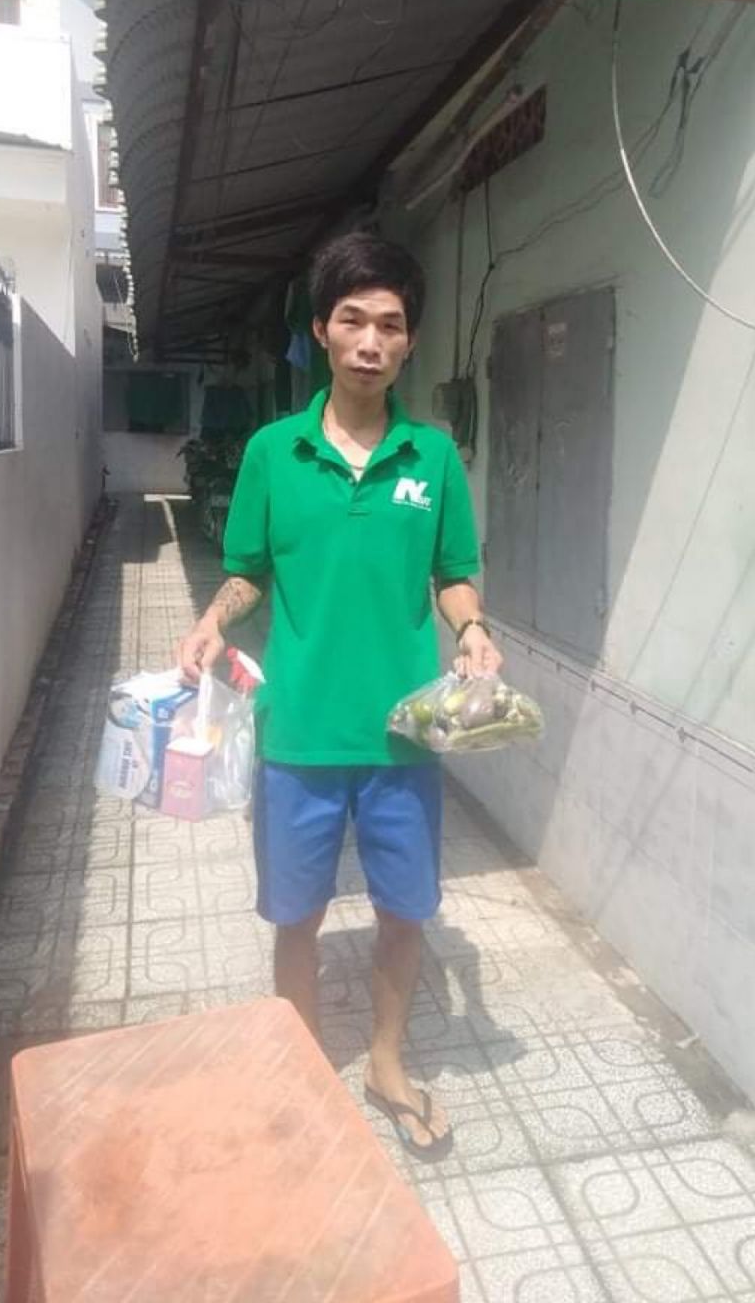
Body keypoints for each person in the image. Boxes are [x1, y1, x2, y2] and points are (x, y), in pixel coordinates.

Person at [177, 231, 502, 1158]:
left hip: (404, 737)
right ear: (321, 330)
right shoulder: (273, 453)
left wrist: (471, 628)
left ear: (409, 342)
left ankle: (387, 1063)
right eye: (352, 320)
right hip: (299, 734)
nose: (370, 341)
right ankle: (305, 1065)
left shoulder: (432, 458)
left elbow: (453, 574)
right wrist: (212, 621)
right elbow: (248, 572)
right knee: (298, 915)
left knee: (405, 910)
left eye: (390, 325)